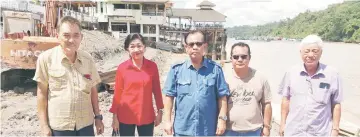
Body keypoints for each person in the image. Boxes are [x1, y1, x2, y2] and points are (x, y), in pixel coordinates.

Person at [33, 16, 104, 136]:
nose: (71, 40)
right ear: (58, 36)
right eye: (66, 35)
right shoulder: (46, 59)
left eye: (76, 35)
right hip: (60, 127)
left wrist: (98, 117)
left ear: (81, 37)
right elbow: (42, 94)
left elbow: (93, 90)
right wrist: (44, 125)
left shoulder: (88, 59)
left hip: (85, 125)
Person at [162, 30, 230, 136]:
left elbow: (222, 97)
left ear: (205, 46)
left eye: (198, 44)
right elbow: (169, 97)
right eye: (191, 44)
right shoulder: (176, 69)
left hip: (207, 130)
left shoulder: (216, 70)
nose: (195, 47)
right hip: (183, 130)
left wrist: (222, 120)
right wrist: (167, 121)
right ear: (186, 47)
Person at [278, 34, 343, 136]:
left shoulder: (332, 74)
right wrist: (282, 124)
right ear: (300, 53)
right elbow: (285, 99)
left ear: (321, 53)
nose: (310, 55)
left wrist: (335, 129)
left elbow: (336, 104)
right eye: (306, 51)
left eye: (315, 51)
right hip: (294, 132)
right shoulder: (291, 72)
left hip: (320, 132)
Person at [109, 33, 164, 136]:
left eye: (139, 46)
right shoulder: (122, 68)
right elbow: (118, 93)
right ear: (127, 49)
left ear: (144, 47)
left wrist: (160, 110)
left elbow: (157, 90)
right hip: (125, 115)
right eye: (132, 47)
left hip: (146, 115)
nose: (136, 50)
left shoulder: (152, 67)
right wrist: (114, 117)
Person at [223, 42, 272, 136]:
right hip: (229, 131)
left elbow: (267, 104)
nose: (240, 60)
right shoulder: (224, 78)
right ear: (231, 59)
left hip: (254, 131)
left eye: (244, 57)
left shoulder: (261, 78)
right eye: (236, 57)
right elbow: (219, 104)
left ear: (249, 57)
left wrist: (267, 127)